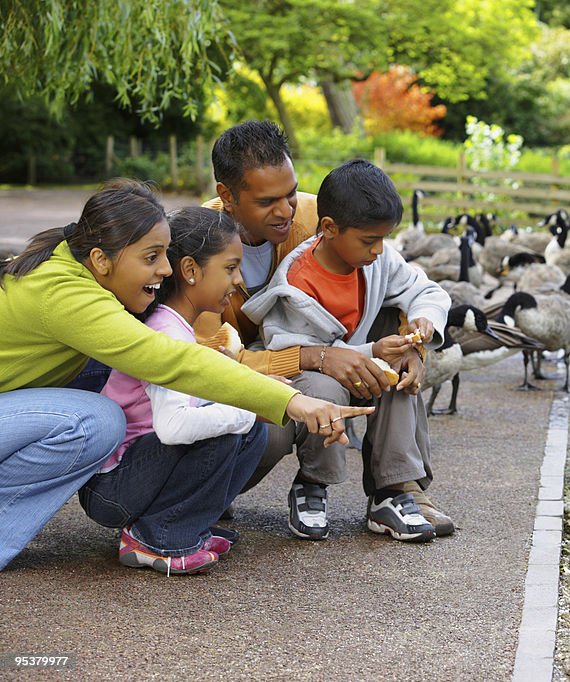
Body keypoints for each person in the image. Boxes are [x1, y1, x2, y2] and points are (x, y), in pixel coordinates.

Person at [0, 180, 370, 571]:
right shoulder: (67, 296)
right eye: (151, 257)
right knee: (96, 421)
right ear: (101, 258)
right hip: (94, 472)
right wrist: (289, 401)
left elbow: (182, 362)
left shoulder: (79, 268)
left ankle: (173, 527)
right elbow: (173, 361)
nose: (165, 268)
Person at [198, 121, 455, 541]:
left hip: (339, 348)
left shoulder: (320, 215)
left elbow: (403, 278)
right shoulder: (197, 242)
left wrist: (413, 343)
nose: (286, 211)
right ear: (227, 196)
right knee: (270, 431)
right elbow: (209, 359)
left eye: (290, 193)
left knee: (396, 351)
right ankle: (209, 488)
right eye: (267, 201)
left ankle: (399, 488)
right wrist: (316, 357)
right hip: (248, 372)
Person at [78, 207, 266, 575]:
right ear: (191, 271)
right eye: (230, 268)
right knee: (229, 430)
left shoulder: (180, 327)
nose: (239, 280)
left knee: (250, 431)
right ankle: (157, 536)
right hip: (112, 489)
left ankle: (187, 525)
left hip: (139, 473)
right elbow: (173, 428)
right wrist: (244, 410)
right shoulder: (167, 332)